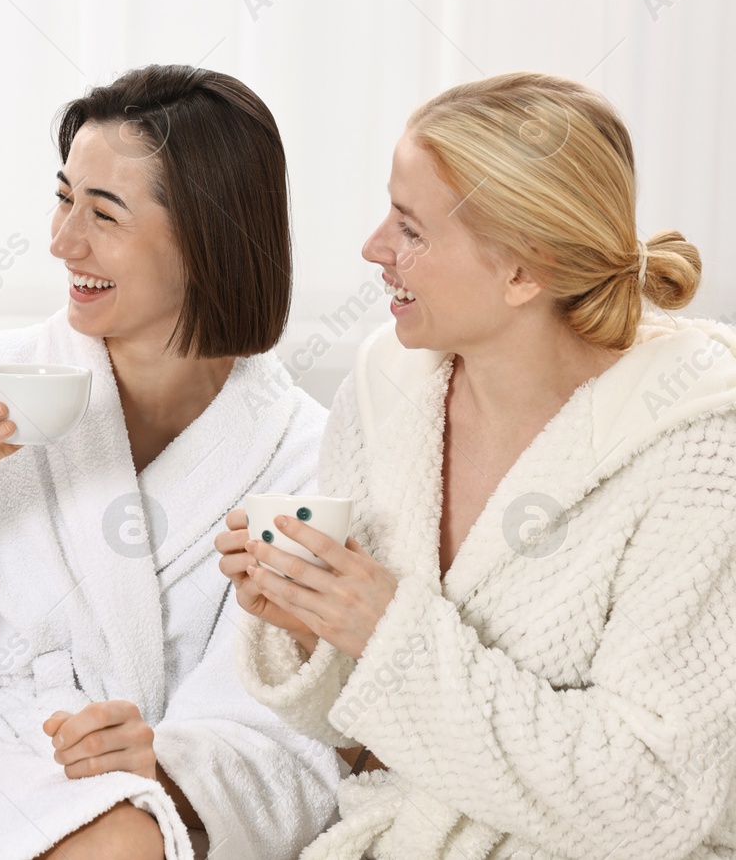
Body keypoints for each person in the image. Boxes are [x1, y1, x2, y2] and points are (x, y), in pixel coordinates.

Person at [0, 65, 341, 860]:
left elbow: (282, 730)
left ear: (208, 233)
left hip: (138, 785)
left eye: (103, 213)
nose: (62, 242)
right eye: (63, 200)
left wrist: (163, 756)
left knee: (126, 833)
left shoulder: (302, 454)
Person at [218, 71, 736, 859]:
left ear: (524, 272)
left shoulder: (696, 445)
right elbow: (360, 730)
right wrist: (308, 620)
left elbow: (652, 792)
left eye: (411, 228)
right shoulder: (388, 387)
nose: (373, 248)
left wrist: (387, 628)